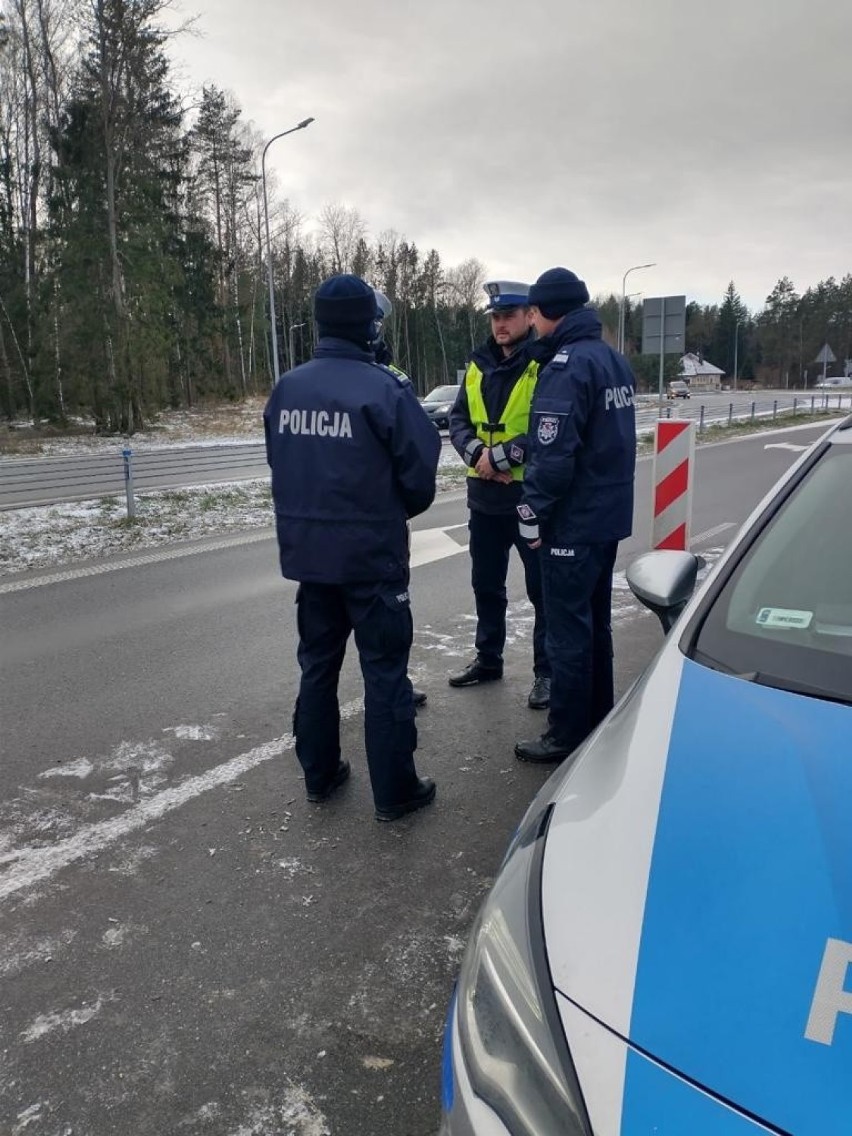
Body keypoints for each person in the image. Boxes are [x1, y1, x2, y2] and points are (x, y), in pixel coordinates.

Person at [263, 274, 441, 821]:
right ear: (368, 324)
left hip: (310, 559)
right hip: (372, 559)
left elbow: (281, 465)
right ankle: (395, 792)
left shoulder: (287, 388)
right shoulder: (384, 388)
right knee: (384, 671)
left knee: (317, 666)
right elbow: (420, 476)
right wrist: (383, 514)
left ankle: (320, 775)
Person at [514, 267, 636, 763]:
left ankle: (565, 733)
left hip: (573, 521)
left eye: (535, 316)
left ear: (546, 313)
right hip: (606, 517)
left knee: (567, 630)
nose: (533, 326)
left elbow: (553, 455)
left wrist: (530, 513)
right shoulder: (613, 360)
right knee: (595, 624)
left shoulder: (567, 368)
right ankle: (599, 716)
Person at [447, 279, 551, 709]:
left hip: (527, 496)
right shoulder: (477, 365)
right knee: (485, 584)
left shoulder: (544, 364)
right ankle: (488, 658)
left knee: (541, 589)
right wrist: (478, 454)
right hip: (485, 497)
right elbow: (458, 420)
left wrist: (502, 458)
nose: (501, 324)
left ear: (529, 316)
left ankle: (547, 672)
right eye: (495, 317)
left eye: (509, 315)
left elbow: (549, 425)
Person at [371, 288, 427, 710]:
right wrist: (403, 508)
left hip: (315, 541)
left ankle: (318, 753)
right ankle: (396, 693)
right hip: (379, 530)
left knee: (320, 654)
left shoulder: (304, 381)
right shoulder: (392, 381)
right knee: (388, 629)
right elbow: (421, 457)